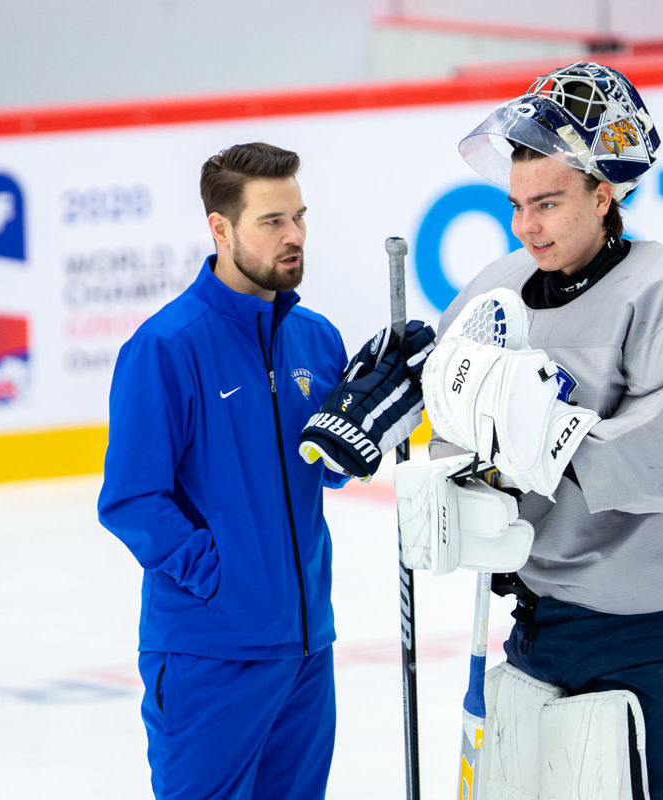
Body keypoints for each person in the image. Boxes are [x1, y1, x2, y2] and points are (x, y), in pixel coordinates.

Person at [424, 62, 663, 800]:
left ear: (604, 194)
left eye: (546, 204)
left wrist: (545, 433)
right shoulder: (496, 289)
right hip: (550, 613)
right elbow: (451, 429)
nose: (525, 227)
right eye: (516, 206)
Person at [97, 142, 430, 800]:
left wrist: (364, 427)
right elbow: (132, 500)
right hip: (210, 658)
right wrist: (223, 579)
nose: (295, 236)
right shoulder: (166, 348)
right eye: (272, 222)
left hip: (306, 653)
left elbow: (324, 472)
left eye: (299, 217)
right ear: (220, 229)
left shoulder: (315, 337)